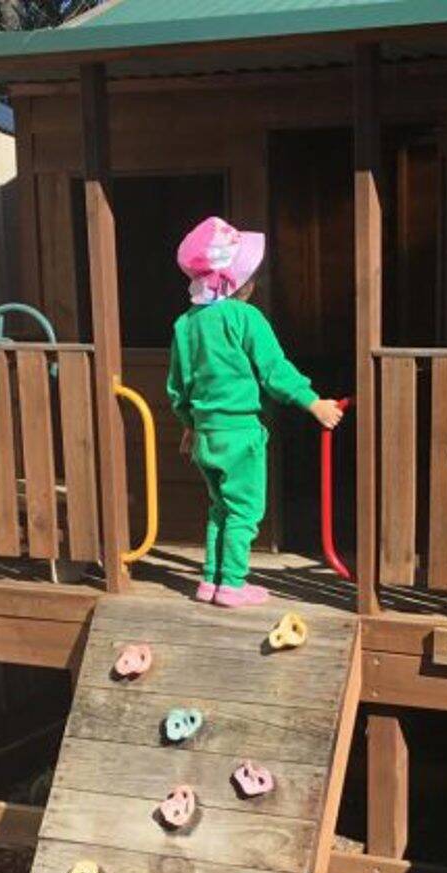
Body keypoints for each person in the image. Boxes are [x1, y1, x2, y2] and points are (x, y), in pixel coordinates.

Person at [167, 216, 345, 607]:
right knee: (245, 510)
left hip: (206, 434)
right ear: (239, 282)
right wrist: (313, 401)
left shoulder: (185, 325)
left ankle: (210, 581)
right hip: (239, 433)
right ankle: (232, 583)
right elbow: (274, 370)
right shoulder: (246, 318)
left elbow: (178, 387)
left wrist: (189, 425)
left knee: (220, 508)